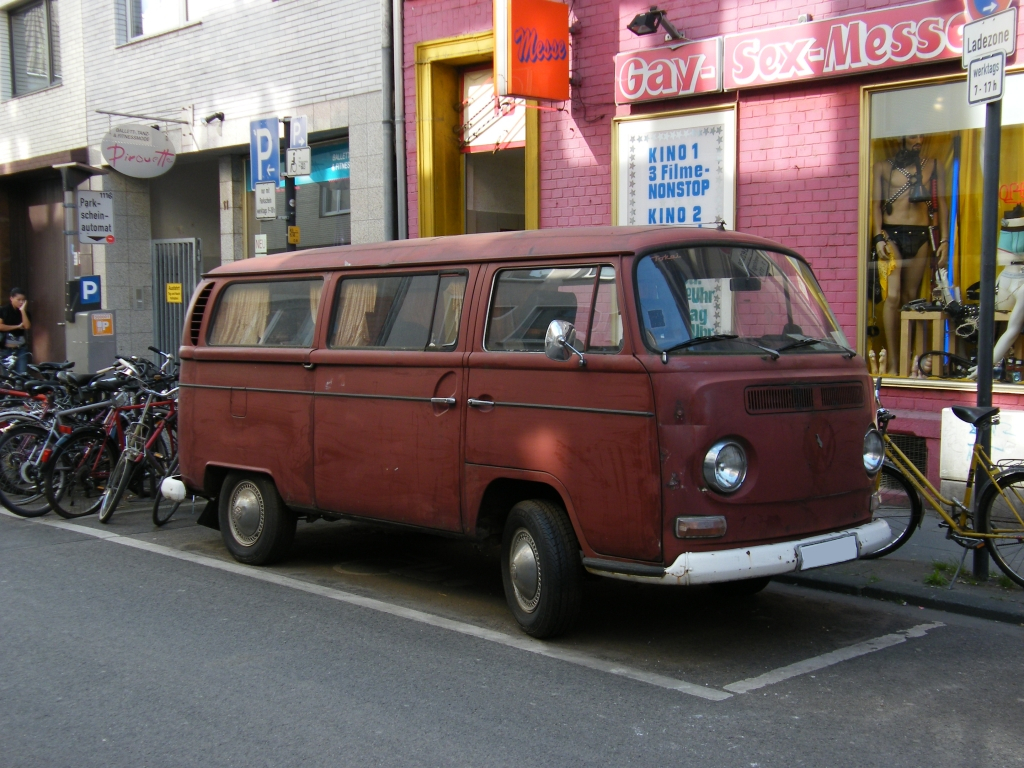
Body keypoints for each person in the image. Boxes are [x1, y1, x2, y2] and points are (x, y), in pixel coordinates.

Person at [871, 134, 948, 374]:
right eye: (913, 136)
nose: (919, 140)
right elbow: (875, 203)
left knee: (910, 297)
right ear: (901, 139)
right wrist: (876, 237)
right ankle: (893, 363)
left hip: (921, 234)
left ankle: (908, 361)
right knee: (892, 297)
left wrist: (944, 239)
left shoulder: (933, 164)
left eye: (921, 136)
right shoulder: (882, 167)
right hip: (891, 235)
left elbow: (942, 203)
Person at [0, 288, 32, 374]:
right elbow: (1, 326)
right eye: (18, 300)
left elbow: (27, 326)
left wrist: (22, 311)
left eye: (23, 300)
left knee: (22, 373)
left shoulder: (25, 313)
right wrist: (17, 326)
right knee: (8, 375)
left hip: (21, 348)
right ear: (11, 298)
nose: (21, 302)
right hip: (6, 348)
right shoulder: (3, 310)